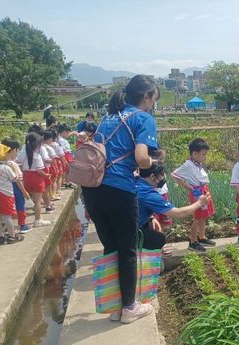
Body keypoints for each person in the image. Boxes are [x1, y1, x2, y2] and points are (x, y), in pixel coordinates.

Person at [82, 74, 160, 324]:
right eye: (154, 99)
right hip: (118, 189)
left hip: (92, 189)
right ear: (146, 97)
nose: (153, 104)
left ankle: (117, 306)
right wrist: (154, 161)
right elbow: (141, 158)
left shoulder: (109, 117)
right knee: (127, 251)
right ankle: (129, 307)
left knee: (111, 247)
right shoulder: (143, 118)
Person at [137, 161, 210, 251]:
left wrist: (151, 218)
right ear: (152, 176)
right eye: (161, 175)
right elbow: (178, 213)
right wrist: (199, 203)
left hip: (121, 226)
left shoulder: (136, 183)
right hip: (129, 231)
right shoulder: (148, 193)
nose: (163, 178)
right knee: (159, 240)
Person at [171, 138, 216, 252]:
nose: (205, 157)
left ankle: (202, 237)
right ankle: (192, 241)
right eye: (203, 154)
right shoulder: (188, 165)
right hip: (197, 193)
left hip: (203, 190)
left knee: (203, 216)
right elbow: (174, 175)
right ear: (194, 153)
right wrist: (188, 187)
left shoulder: (197, 164)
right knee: (197, 217)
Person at [17, 132, 51, 228]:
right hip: (36, 178)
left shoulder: (22, 153)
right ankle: (38, 220)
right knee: (37, 201)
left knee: (27, 199)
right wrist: (46, 175)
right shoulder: (37, 156)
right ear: (37, 145)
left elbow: (18, 163)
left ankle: (22, 221)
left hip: (26, 177)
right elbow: (39, 171)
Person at [2, 139, 32, 234]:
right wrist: (24, 192)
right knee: (20, 205)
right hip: (16, 188)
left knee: (9, 208)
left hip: (5, 189)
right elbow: (17, 180)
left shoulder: (1, 162)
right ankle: (22, 225)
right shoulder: (11, 164)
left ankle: (7, 227)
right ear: (14, 150)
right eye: (18, 151)